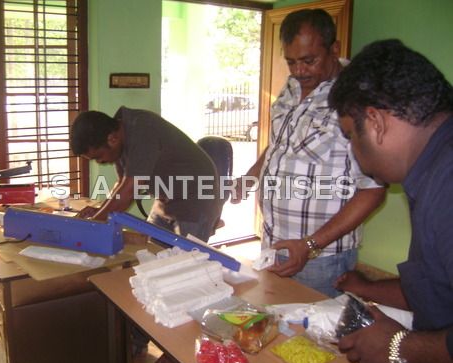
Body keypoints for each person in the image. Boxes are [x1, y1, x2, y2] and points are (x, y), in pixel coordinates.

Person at [232, 9, 386, 297]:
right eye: (291, 62)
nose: (299, 71)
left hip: (321, 259)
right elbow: (280, 145)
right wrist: (250, 177)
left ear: (334, 50)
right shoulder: (291, 87)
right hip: (273, 243)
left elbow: (373, 190)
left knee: (316, 338)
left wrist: (310, 245)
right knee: (279, 333)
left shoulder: (358, 99)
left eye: (309, 61)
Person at [329, 39, 453, 363]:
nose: (354, 151)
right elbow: (440, 287)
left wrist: (398, 346)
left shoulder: (448, 181)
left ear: (376, 123)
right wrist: (367, 288)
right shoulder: (432, 168)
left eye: (350, 135)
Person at [70, 106, 224, 243]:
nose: (99, 162)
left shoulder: (143, 129)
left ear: (112, 139)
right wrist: (101, 210)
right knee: (152, 249)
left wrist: (90, 227)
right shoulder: (119, 133)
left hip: (197, 199)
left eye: (98, 156)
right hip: (167, 198)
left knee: (186, 263)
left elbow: (129, 190)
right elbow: (123, 185)